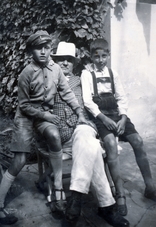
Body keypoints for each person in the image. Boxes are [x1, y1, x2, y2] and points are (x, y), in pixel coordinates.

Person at [0, 31, 87, 225]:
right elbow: (23, 105)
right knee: (20, 160)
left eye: (47, 48)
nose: (43, 52)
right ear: (31, 50)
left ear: (50, 50)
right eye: (38, 48)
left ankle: (57, 185)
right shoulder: (26, 73)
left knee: (54, 135)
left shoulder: (55, 69)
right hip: (26, 117)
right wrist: (45, 115)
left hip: (43, 116)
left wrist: (79, 112)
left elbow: (66, 92)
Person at [52, 41, 130, 227]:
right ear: (55, 62)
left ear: (74, 63)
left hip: (82, 127)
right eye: (61, 60)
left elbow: (89, 104)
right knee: (94, 148)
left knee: (88, 137)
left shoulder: (81, 80)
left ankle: (75, 202)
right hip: (60, 132)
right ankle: (106, 206)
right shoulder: (50, 81)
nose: (64, 63)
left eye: (69, 60)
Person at [81, 38, 156, 216]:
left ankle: (150, 187)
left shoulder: (113, 73)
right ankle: (120, 194)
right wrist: (103, 119)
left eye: (103, 56)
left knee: (138, 141)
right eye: (96, 56)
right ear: (91, 56)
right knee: (111, 146)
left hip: (117, 114)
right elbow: (87, 101)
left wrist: (123, 118)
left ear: (108, 55)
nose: (100, 60)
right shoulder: (87, 74)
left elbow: (122, 97)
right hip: (100, 116)